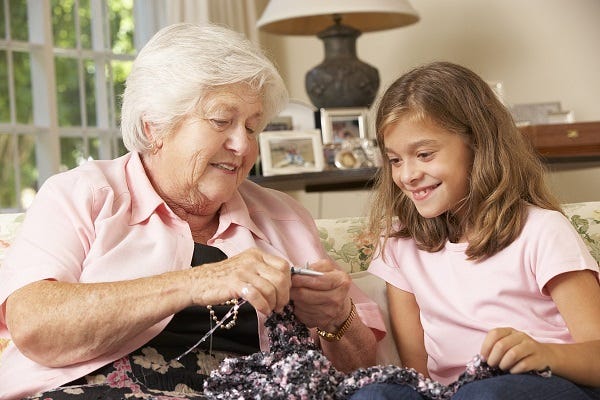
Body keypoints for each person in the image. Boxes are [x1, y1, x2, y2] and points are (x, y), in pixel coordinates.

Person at [0, 23, 385, 400]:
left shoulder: (283, 218)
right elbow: (34, 326)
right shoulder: (84, 195)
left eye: (252, 128)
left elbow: (366, 377)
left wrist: (336, 319)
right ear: (156, 127)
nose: (242, 145)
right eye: (222, 121)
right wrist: (196, 282)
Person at [350, 61, 600, 399]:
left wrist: (546, 354)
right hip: (455, 393)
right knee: (376, 394)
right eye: (395, 160)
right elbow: (417, 374)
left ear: (478, 144)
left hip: (548, 384)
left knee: (486, 394)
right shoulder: (401, 245)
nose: (407, 175)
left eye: (424, 154)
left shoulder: (542, 231)